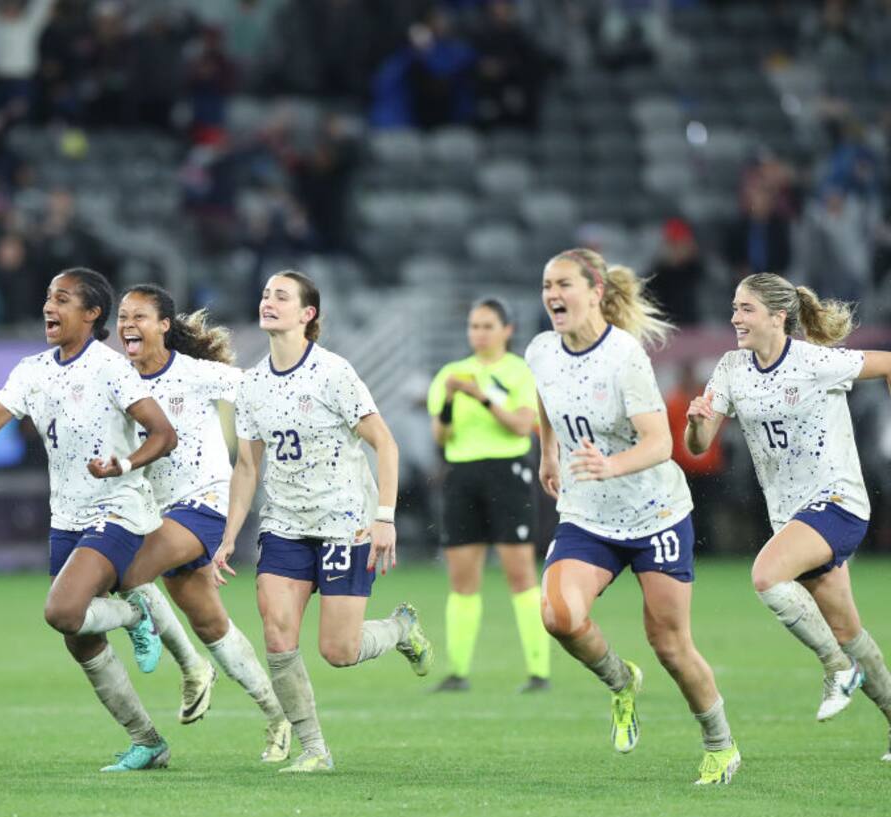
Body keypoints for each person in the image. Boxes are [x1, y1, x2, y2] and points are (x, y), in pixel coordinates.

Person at [526, 247, 740, 785]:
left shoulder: (624, 357)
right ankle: (621, 681)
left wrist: (608, 463)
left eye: (565, 284)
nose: (553, 294)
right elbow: (544, 397)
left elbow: (661, 443)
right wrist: (548, 451)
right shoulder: (540, 351)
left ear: (596, 291)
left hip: (655, 515)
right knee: (558, 617)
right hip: (586, 515)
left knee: (670, 643)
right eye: (548, 284)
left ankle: (720, 744)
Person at [212, 270, 434, 774]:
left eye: (281, 296)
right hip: (284, 524)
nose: (268, 301)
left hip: (344, 523)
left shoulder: (333, 373)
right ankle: (315, 750)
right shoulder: (251, 385)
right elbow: (248, 466)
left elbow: (385, 443)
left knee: (339, 649)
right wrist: (228, 536)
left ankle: (401, 628)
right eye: (266, 293)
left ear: (306, 314)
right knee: (277, 635)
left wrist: (385, 518)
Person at [0, 267, 180, 772]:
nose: (48, 307)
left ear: (92, 313)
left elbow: (163, 434)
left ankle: (136, 613)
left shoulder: (111, 367)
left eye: (61, 298)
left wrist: (122, 465)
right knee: (79, 636)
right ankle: (147, 740)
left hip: (117, 507)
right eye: (47, 296)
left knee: (61, 610)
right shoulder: (33, 370)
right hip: (66, 516)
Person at [686, 272, 891, 761]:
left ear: (778, 316)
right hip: (791, 514)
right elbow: (698, 448)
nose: (735, 317)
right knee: (849, 630)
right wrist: (697, 424)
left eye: (746, 309)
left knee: (766, 574)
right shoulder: (732, 369)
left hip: (837, 500)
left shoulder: (815, 361)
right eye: (734, 308)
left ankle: (834, 667)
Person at [114, 283, 292, 761]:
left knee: (124, 572)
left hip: (203, 504)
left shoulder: (194, 375)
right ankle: (278, 716)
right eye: (123, 315)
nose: (128, 323)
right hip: (155, 510)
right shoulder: (117, 381)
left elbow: (258, 387)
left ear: (164, 326)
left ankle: (191, 666)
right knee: (211, 623)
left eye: (140, 316)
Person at [426, 297, 549, 693]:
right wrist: (448, 399)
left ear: (507, 330)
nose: (478, 333)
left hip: (507, 473)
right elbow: (441, 437)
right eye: (473, 326)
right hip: (461, 474)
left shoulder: (519, 372)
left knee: (520, 573)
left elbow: (520, 427)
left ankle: (538, 672)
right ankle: (457, 672)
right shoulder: (451, 373)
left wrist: (480, 396)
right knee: (462, 577)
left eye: (487, 326)